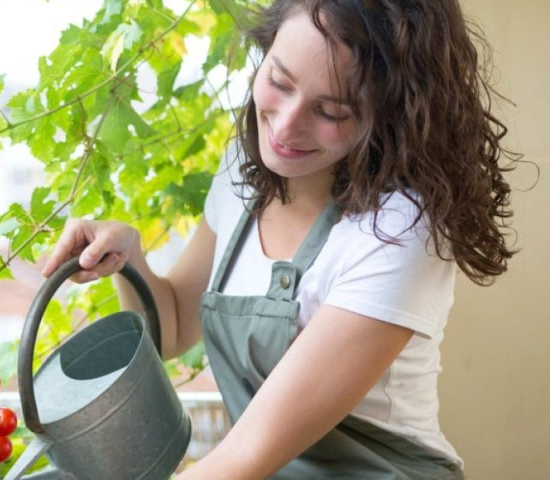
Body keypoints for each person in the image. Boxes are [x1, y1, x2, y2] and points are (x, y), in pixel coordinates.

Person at [40, 0, 518, 478]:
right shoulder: (240, 174)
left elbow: (248, 454)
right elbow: (173, 326)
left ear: (388, 113)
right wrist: (129, 258)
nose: (286, 126)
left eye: (330, 111)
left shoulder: (399, 229)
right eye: (279, 82)